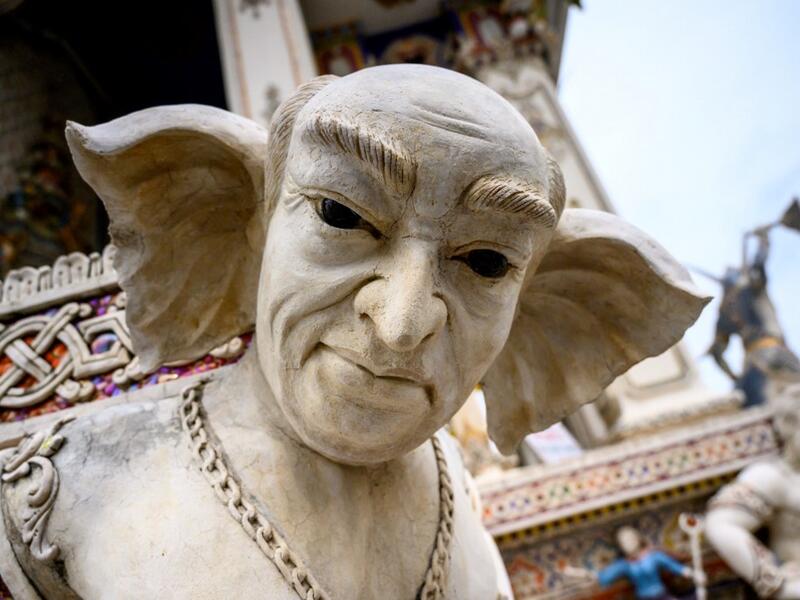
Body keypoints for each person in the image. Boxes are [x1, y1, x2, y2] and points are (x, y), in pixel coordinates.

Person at [564, 526, 699, 600]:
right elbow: (602, 576)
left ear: (637, 538)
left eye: (629, 538)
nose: (626, 543)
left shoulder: (653, 556)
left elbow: (675, 567)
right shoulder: (625, 564)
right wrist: (577, 572)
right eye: (622, 541)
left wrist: (694, 574)